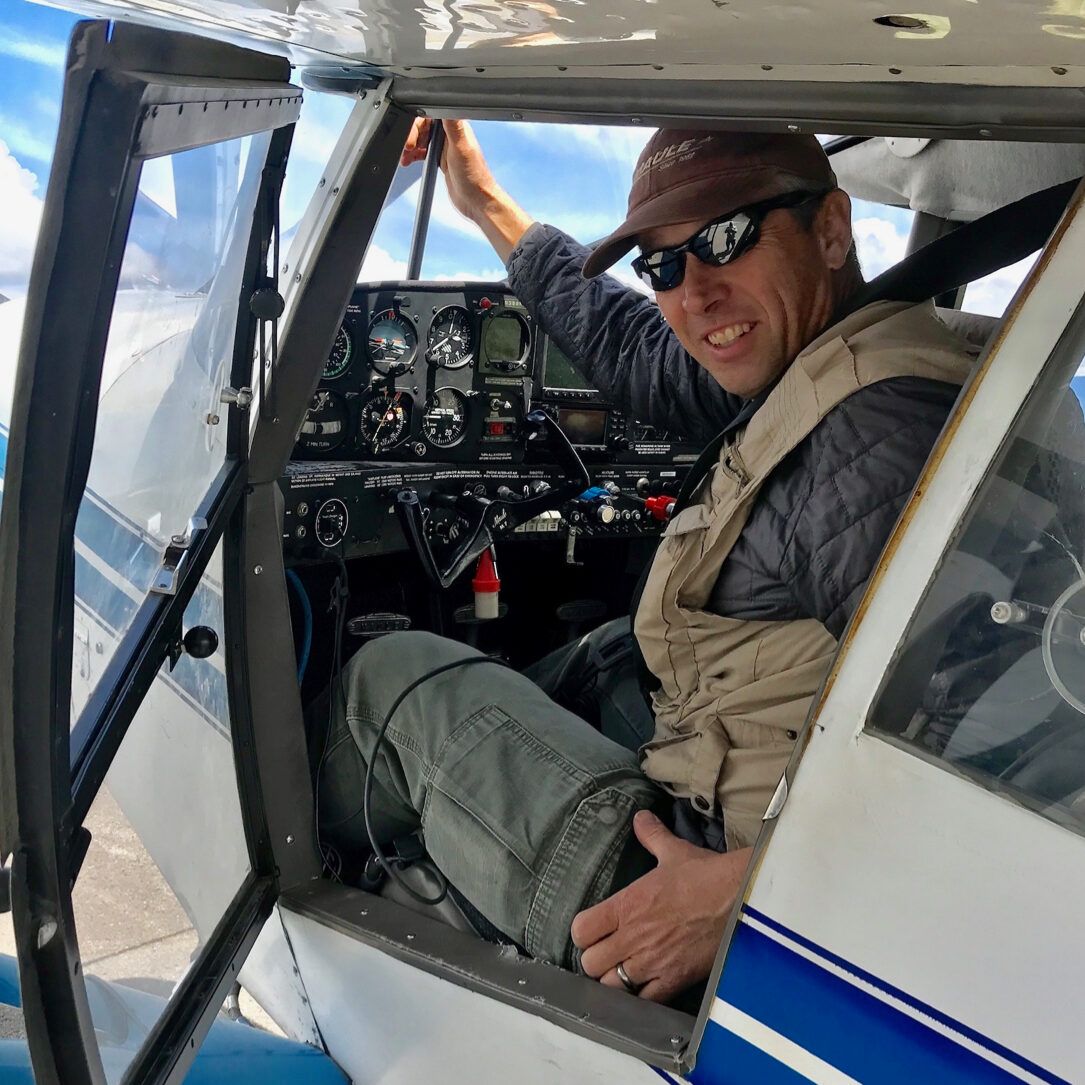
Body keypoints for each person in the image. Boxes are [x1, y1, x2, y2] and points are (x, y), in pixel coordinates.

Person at [317, 120, 978, 1004]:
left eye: (725, 238)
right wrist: (483, 201)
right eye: (661, 266)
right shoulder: (828, 356)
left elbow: (1004, 757)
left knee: (390, 679)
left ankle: (315, 880)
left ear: (829, 228)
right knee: (584, 653)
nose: (693, 291)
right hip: (727, 794)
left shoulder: (875, 443)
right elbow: (637, 352)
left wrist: (752, 894)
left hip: (710, 882)